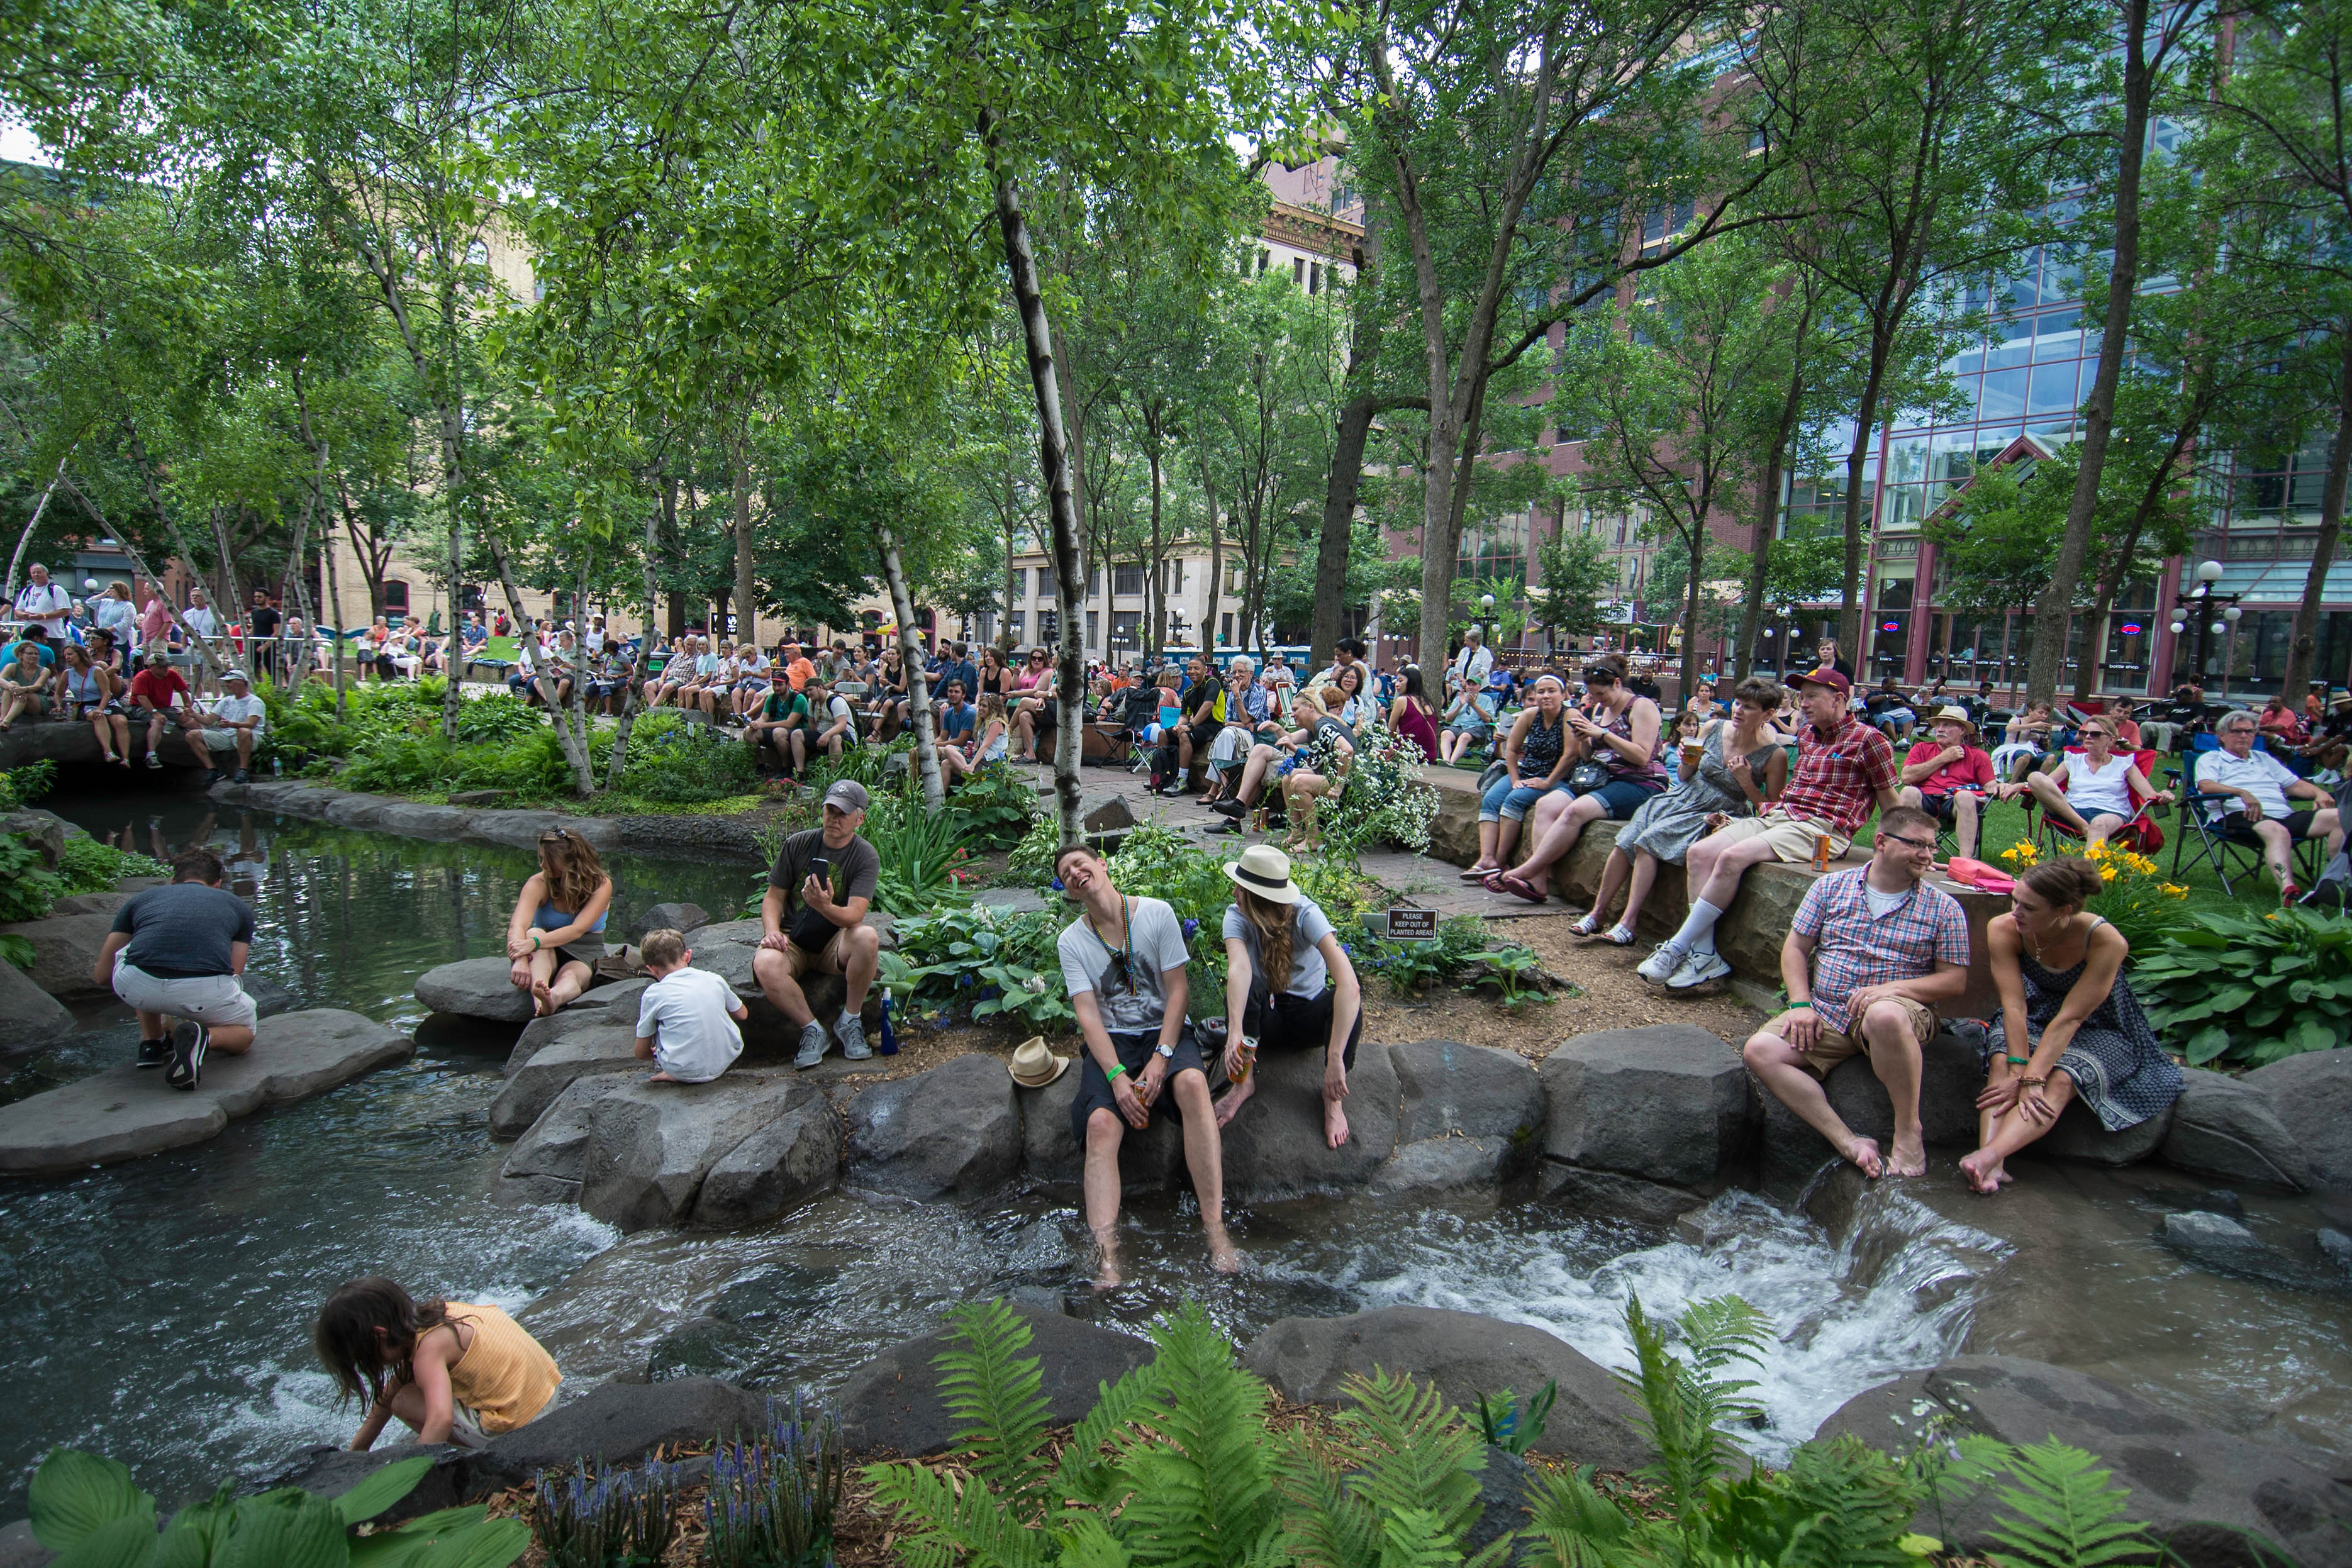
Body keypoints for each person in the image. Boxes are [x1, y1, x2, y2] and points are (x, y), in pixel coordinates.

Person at [1739, 806, 1970, 1179]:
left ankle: (1909, 1132)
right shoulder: (1830, 887)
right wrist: (1800, 1004)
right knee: (1760, 1051)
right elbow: (1795, 949)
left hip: (1898, 1012)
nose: (1928, 856)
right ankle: (1849, 1142)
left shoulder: (1944, 908)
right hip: (1828, 1012)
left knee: (1884, 1014)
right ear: (1881, 842)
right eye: (1917, 845)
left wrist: (1889, 990)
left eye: (1931, 848)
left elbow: (1954, 981)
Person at [1641, 666, 1903, 991]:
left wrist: (1904, 846)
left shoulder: (1869, 740)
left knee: (1733, 857)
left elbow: (1889, 798)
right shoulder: (1807, 735)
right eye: (1800, 697)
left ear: (1838, 699)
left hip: (1823, 829)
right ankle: (1705, 955)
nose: (1802, 704)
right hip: (1781, 816)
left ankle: (1677, 947)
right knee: (1700, 852)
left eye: (1810, 698)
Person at [1054, 842, 1238, 1285]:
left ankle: (1216, 1232)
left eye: (1081, 863)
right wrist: (1117, 1077)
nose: (1076, 873)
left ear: (1101, 863)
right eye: (1066, 873)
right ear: (1069, 891)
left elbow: (1178, 991)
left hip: (1165, 1032)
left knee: (1192, 1083)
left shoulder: (1156, 913)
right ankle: (1107, 1259)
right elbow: (1087, 1014)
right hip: (1112, 1042)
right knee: (1100, 1124)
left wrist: (1162, 1058)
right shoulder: (1071, 940)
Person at [1961, 857, 2182, 1195]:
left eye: (2029, 908)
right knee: (2002, 1063)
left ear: (2063, 911)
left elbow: (2072, 1017)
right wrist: (2020, 1071)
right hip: (2034, 1014)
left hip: (2099, 1026)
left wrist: (2034, 1079)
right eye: (2015, 900)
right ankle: (1994, 1171)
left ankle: (1988, 1155)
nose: (2016, 912)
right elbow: (2014, 1005)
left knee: (2061, 1078)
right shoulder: (2004, 928)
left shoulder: (2106, 941)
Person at [1576, 677, 1787, 945]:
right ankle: (1597, 913)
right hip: (1683, 796)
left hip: (1720, 810)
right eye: (1737, 703)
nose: (1738, 711)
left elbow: (1770, 809)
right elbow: (1685, 775)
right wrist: (1689, 759)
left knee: (1650, 840)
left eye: (1749, 707)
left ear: (1768, 714)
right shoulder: (1713, 727)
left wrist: (1745, 780)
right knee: (1627, 839)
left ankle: (1628, 922)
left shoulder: (1773, 755)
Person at [1210, 843, 1364, 1150]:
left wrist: (1335, 1059)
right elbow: (1239, 969)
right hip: (1264, 1025)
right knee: (1248, 987)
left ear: (1256, 899)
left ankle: (1333, 1100)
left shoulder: (1307, 914)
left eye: (1239, 889)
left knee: (1347, 1004)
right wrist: (1236, 1033)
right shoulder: (1236, 916)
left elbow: (1350, 985)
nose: (1234, 894)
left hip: (1308, 1019)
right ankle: (1244, 1083)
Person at [1492, 655, 1668, 904]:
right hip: (1599, 777)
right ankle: (1539, 881)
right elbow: (1588, 755)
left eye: (1601, 694)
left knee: (1576, 811)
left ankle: (1526, 869)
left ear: (1617, 683)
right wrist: (1585, 739)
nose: (1597, 700)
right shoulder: (1599, 709)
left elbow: (1641, 756)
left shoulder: (1641, 707)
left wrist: (1603, 734)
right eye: (1593, 695)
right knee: (1546, 805)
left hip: (1638, 782)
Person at [315, 1277, 560, 1452]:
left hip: (522, 1426)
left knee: (404, 1402)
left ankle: (474, 1455)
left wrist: (415, 1477)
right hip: (546, 1393)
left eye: (364, 1359)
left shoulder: (428, 1352)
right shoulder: (442, 1316)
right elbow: (392, 1388)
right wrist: (359, 1448)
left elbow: (439, 1420)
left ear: (379, 1335)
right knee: (403, 1389)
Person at [91, 847, 259, 1089]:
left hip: (136, 987)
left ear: (172, 881)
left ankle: (152, 1043)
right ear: (218, 884)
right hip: (203, 992)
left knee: (137, 953)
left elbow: (101, 976)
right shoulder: (237, 906)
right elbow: (234, 970)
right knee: (244, 1034)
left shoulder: (141, 899)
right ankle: (204, 1039)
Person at [754, 781, 883, 1067]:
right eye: (830, 810)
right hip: (793, 938)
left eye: (843, 813)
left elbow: (854, 916)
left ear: (859, 819)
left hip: (834, 941)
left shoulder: (865, 856)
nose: (834, 818)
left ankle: (850, 1021)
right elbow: (773, 898)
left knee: (867, 937)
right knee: (764, 963)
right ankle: (812, 1029)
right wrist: (772, 932)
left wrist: (823, 905)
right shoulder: (798, 843)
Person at [2193, 708, 2344, 901]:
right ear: (2222, 736)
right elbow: (2206, 785)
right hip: (2238, 814)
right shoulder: (2211, 758)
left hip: (2283, 815)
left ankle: (2335, 882)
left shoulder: (2264, 759)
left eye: (2249, 731)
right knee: (2276, 830)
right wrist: (2241, 792)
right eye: (2236, 731)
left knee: (2342, 817)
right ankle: (2289, 892)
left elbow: (2295, 785)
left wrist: (2319, 793)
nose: (2243, 736)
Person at [1995, 714, 2170, 850]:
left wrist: (2164, 795)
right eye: (2084, 733)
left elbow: (2150, 795)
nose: (2088, 737)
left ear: (2111, 740)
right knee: (2035, 777)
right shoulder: (2073, 759)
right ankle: (2085, 828)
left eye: (2095, 734)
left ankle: (2087, 878)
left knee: (2099, 825)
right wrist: (2023, 785)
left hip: (2110, 813)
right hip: (2072, 813)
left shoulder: (2125, 764)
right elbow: (2047, 783)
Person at [1463, 673, 1572, 882]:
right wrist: (1514, 780)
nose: (1546, 696)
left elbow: (1571, 755)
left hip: (1556, 777)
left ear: (1563, 694)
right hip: (1527, 771)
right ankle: (1486, 859)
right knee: (1492, 798)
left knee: (1515, 799)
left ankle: (1500, 861)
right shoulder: (1530, 715)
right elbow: (1511, 750)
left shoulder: (1569, 716)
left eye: (1552, 691)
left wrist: (1548, 782)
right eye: (1541, 692)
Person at [504, 828, 614, 1018]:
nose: (542, 864)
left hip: (585, 950)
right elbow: (518, 927)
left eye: (548, 860)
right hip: (544, 950)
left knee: (571, 976)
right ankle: (539, 999)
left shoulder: (601, 884)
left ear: (568, 862)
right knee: (533, 933)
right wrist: (520, 959)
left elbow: (577, 930)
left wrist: (532, 945)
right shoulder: (538, 883)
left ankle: (553, 998)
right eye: (541, 858)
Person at [632, 927, 748, 1084]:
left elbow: (640, 1052)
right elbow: (742, 1014)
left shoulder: (654, 994)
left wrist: (654, 1055)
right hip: (726, 1060)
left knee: (659, 1023)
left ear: (651, 969)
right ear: (688, 956)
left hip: (683, 1070)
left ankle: (674, 1070)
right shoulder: (714, 979)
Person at [1898, 706, 1997, 860]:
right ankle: (1902, 854)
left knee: (1965, 796)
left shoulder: (1978, 756)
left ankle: (1965, 862)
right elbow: (1907, 777)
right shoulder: (1921, 749)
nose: (1940, 730)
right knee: (1908, 792)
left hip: (1955, 804)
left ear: (1962, 730)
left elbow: (1990, 786)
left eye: (1947, 725)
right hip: (1925, 801)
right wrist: (1943, 758)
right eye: (1938, 725)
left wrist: (2002, 787)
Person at [181, 667, 265, 784]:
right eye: (226, 682)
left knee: (244, 731)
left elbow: (250, 724)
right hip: (226, 736)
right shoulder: (226, 700)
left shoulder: (254, 702)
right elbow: (208, 721)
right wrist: (194, 714)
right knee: (192, 735)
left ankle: (243, 770)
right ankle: (213, 770)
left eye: (230, 682)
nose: (227, 685)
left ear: (241, 682)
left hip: (250, 737)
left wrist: (232, 724)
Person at [55, 643, 130, 765]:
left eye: (70, 654)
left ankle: (126, 759)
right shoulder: (67, 674)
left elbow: (106, 693)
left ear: (80, 655)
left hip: (105, 702)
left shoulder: (97, 671)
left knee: (122, 722)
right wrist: (58, 706)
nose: (67, 658)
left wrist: (101, 708)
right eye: (65, 656)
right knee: (98, 717)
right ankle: (108, 752)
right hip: (85, 704)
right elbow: (58, 694)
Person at [129, 648, 194, 769]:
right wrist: (155, 713)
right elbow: (142, 698)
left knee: (193, 723)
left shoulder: (172, 674)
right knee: (157, 722)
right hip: (142, 707)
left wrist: (187, 709)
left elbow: (184, 692)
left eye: (167, 666)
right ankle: (151, 754)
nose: (166, 669)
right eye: (161, 667)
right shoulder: (142, 677)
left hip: (165, 708)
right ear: (151, 667)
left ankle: (205, 749)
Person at [942, 692, 1010, 785]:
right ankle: (940, 799)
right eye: (980, 705)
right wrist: (970, 751)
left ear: (992, 709)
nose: (981, 708)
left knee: (948, 749)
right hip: (981, 759)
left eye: (985, 706)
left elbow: (985, 746)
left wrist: (972, 765)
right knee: (946, 763)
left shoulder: (996, 723)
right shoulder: (982, 723)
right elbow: (977, 747)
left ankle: (970, 774)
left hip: (991, 763)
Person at [1437, 671, 1502, 764]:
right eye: (1469, 684)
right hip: (1458, 727)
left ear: (1480, 687)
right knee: (1446, 734)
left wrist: (1473, 705)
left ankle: (1451, 763)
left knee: (1464, 736)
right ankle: (1446, 761)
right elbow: (1448, 718)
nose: (1470, 687)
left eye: (1474, 685)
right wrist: (1460, 705)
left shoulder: (1486, 700)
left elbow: (1488, 719)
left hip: (1477, 728)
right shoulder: (1459, 698)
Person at [1012, 647, 1059, 762]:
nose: (1052, 657)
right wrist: (1043, 697)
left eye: (1055, 655)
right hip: (1047, 705)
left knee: (1024, 701)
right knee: (1024, 716)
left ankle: (1004, 732)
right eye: (1034, 658)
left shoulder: (1059, 673)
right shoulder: (1057, 673)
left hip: (1060, 710)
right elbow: (1050, 691)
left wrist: (1044, 695)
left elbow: (1060, 694)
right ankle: (1030, 754)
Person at [1388, 665, 1441, 761]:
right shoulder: (1428, 702)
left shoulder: (1402, 701)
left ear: (1411, 682)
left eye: (1400, 681)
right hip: (1429, 755)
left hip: (1408, 753)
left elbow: (1391, 731)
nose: (1397, 684)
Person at [12, 563, 72, 638]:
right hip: (30, 635)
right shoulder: (27, 591)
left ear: (46, 574)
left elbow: (65, 611)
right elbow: (18, 611)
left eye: (39, 572)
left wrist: (44, 616)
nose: (36, 575)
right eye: (33, 573)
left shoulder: (56, 590)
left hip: (52, 635)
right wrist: (24, 615)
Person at [0, 641, 49, 730]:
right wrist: (12, 688)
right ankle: (3, 720)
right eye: (30, 653)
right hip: (16, 697)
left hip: (36, 702)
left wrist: (22, 689)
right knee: (12, 685)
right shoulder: (12, 667)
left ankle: (6, 721)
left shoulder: (44, 671)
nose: (34, 656)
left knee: (24, 692)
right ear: (21, 655)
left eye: (36, 654)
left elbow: (38, 686)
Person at [1446, 625, 1493, 699]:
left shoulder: (1485, 653)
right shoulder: (1464, 651)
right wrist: (1462, 681)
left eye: (1467, 641)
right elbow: (1457, 668)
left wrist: (1469, 682)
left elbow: (1484, 672)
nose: (1465, 643)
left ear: (1475, 641)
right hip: (1463, 687)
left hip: (1479, 688)